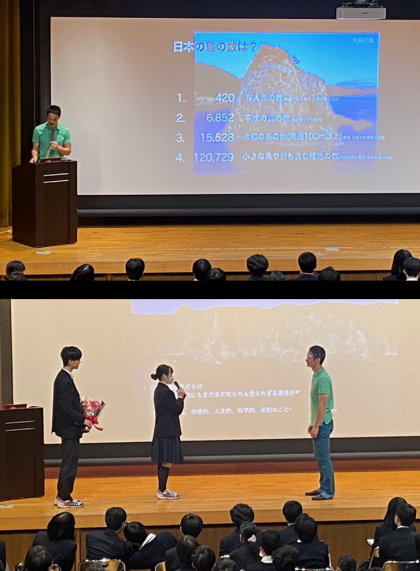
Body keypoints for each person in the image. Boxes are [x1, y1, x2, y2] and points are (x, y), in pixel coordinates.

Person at [52, 346, 92, 508]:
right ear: (70, 361)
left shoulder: (65, 377)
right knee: (69, 464)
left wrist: (81, 405)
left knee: (69, 463)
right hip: (68, 428)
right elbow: (64, 407)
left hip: (69, 428)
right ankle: (64, 497)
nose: (79, 362)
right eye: (77, 359)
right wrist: (83, 419)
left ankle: (63, 496)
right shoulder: (63, 379)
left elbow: (68, 403)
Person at [151, 364, 186, 499]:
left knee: (164, 461)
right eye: (170, 374)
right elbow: (176, 409)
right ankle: (162, 490)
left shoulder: (159, 390)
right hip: (167, 431)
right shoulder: (165, 392)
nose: (172, 377)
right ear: (164, 376)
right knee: (166, 461)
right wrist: (180, 398)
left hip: (164, 430)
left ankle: (162, 489)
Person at [305, 345, 335, 501]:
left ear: (318, 359)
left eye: (309, 356)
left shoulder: (322, 378)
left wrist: (317, 425)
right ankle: (323, 486)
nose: (306, 359)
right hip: (318, 422)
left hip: (323, 423)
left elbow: (323, 405)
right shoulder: (316, 375)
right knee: (319, 457)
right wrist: (312, 423)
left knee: (323, 458)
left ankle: (329, 490)